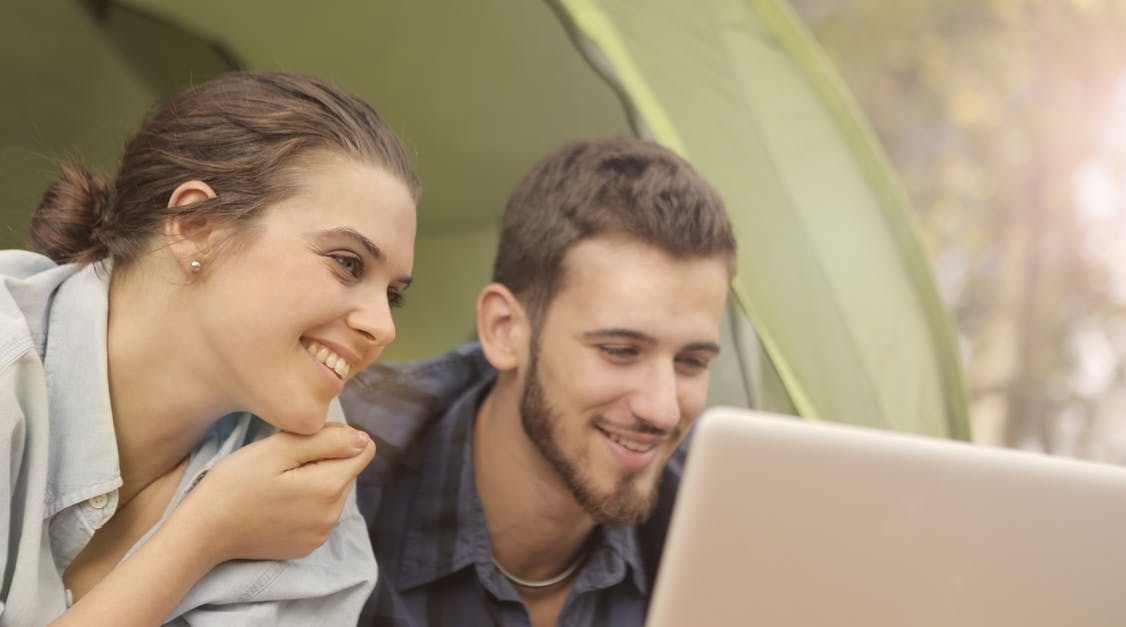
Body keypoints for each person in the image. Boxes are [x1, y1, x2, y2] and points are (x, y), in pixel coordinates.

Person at [0, 71, 420, 625]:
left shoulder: (309, 500)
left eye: (393, 295)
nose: (382, 327)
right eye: (348, 263)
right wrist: (201, 535)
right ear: (197, 225)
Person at [346, 136, 736, 626]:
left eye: (692, 362)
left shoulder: (716, 534)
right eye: (620, 351)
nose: (662, 410)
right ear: (505, 330)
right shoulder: (342, 472)